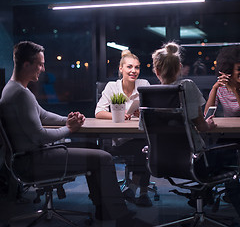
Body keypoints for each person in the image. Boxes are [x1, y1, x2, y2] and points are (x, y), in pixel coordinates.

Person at [0, 41, 151, 226]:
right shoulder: (20, 94)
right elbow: (39, 136)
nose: (43, 68)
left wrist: (68, 119)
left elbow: (43, 115)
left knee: (90, 149)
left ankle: (104, 210)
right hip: (33, 160)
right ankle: (121, 217)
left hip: (31, 156)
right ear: (26, 65)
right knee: (103, 158)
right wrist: (69, 129)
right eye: (39, 64)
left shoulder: (16, 89)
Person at [151, 42, 240, 227]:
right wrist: (206, 124)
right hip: (195, 160)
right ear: (179, 68)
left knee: (215, 155)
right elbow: (201, 126)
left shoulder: (149, 93)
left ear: (156, 71)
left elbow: (142, 127)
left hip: (161, 161)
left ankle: (205, 199)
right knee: (227, 163)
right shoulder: (187, 86)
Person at [204, 45, 240, 205]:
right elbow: (207, 114)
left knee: (224, 158)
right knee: (214, 155)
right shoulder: (221, 89)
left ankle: (235, 189)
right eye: (238, 69)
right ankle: (235, 187)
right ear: (229, 69)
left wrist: (237, 91)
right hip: (229, 136)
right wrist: (215, 88)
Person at [95, 49, 153, 207]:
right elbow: (98, 112)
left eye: (137, 67)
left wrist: (142, 112)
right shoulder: (112, 87)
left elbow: (153, 111)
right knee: (146, 148)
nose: (134, 71)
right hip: (120, 141)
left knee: (145, 146)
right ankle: (141, 192)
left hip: (140, 136)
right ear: (121, 69)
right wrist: (119, 116)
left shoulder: (144, 85)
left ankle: (135, 189)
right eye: (129, 67)